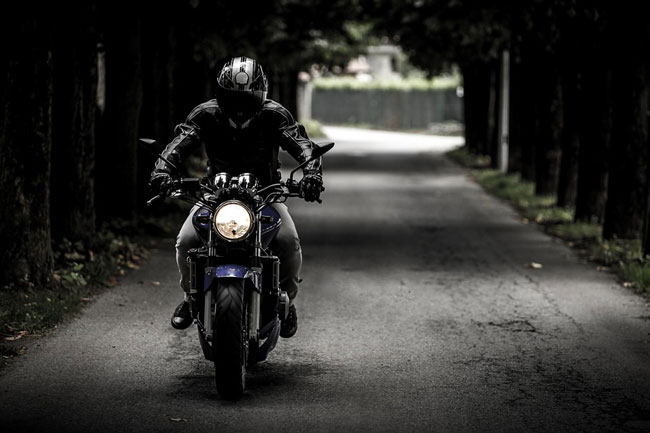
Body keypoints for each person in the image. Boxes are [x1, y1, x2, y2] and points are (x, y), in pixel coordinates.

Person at [149, 56, 324, 338]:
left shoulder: (275, 115)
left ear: (260, 94)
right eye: (233, 98)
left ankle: (288, 301)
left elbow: (301, 144)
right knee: (186, 241)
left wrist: (312, 174)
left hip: (265, 195)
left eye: (246, 98)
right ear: (221, 93)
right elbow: (179, 144)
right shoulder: (205, 114)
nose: (240, 106)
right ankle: (190, 297)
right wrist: (162, 171)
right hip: (214, 195)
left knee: (288, 241)